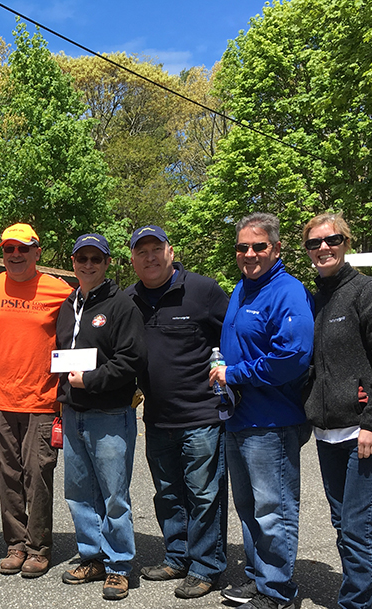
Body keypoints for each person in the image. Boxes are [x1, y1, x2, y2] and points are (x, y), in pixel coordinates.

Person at [210, 212, 314, 609]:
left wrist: (234, 373)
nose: (249, 253)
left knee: (274, 511)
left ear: (276, 248)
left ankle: (278, 593)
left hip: (272, 423)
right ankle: (259, 579)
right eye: (242, 247)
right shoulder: (242, 288)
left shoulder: (288, 291)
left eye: (259, 246)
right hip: (238, 419)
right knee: (249, 509)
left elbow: (293, 357)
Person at [124, 225, 229, 599]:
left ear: (171, 252)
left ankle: (206, 566)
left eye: (156, 249)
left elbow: (233, 335)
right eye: (142, 252)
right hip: (156, 417)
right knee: (168, 494)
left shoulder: (202, 291)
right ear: (133, 259)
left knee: (204, 495)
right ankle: (177, 555)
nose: (150, 257)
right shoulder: (129, 299)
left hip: (202, 415)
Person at [0, 223, 72, 578]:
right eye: (9, 249)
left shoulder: (59, 291)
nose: (15, 255)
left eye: (23, 249)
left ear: (37, 252)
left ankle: (39, 548)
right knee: (5, 475)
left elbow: (81, 333)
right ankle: (15, 544)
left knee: (38, 477)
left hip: (42, 400)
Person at [55, 233, 147, 601]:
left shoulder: (122, 305)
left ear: (108, 263)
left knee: (113, 494)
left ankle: (119, 565)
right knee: (79, 492)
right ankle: (92, 556)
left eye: (96, 259)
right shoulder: (68, 304)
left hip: (109, 412)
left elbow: (131, 360)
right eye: (82, 258)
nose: (88, 264)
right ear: (73, 261)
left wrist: (90, 380)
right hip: (73, 411)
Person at [302, 213, 372, 609]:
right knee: (342, 524)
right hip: (326, 434)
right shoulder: (314, 299)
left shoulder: (369, 291)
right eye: (314, 243)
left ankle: (357, 604)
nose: (323, 248)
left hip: (363, 434)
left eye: (331, 239)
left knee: (356, 526)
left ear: (345, 242)